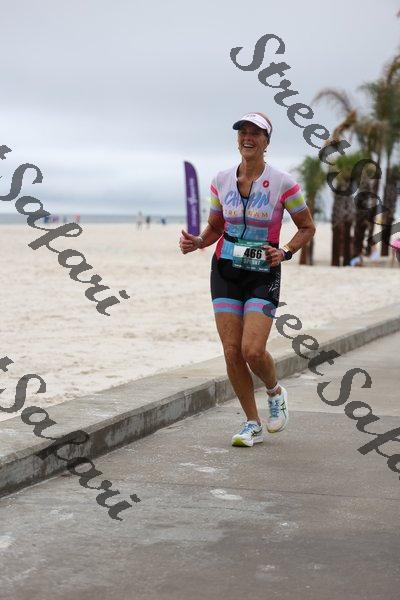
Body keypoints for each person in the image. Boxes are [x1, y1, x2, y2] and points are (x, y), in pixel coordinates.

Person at [179, 112, 315, 447]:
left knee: (252, 350)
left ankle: (275, 392)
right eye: (243, 132)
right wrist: (198, 241)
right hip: (225, 269)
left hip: (263, 272)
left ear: (267, 141)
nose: (248, 137)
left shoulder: (283, 182)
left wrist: (285, 251)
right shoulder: (221, 180)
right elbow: (216, 226)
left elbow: (306, 227)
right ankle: (252, 423)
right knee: (231, 351)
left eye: (256, 133)